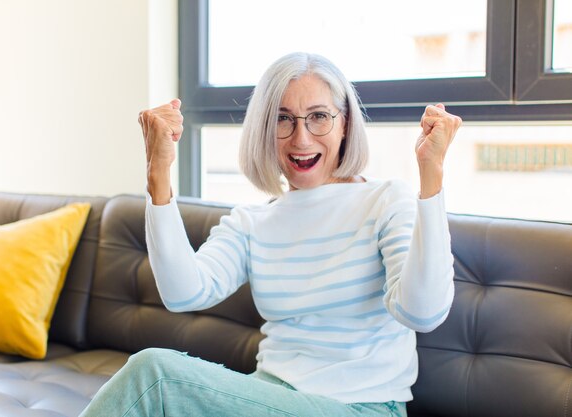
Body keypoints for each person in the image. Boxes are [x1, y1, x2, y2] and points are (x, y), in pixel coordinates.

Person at [80, 52, 461, 417]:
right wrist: (158, 174)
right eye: (283, 119)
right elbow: (184, 293)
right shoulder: (252, 223)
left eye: (318, 117)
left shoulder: (385, 200)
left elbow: (422, 312)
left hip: (359, 407)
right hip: (267, 396)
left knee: (155, 376)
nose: (301, 138)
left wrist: (431, 176)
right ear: (265, 130)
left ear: (344, 124)